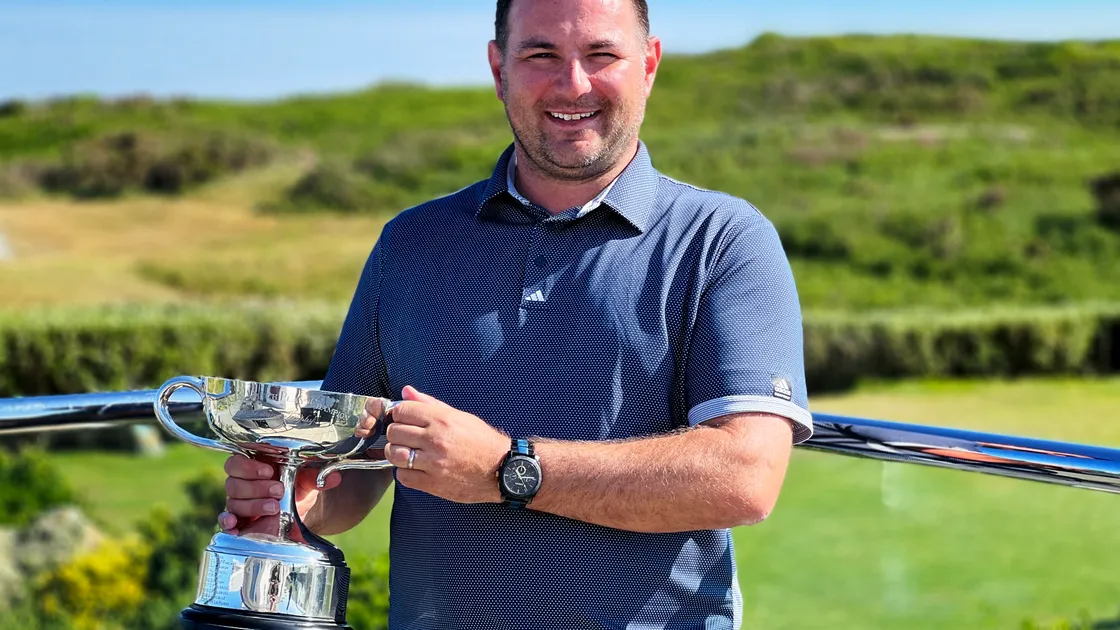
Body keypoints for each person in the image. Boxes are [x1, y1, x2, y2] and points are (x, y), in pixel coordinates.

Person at [219, 0, 813, 627]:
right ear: (499, 69)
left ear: (649, 65)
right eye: (541, 55)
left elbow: (746, 476)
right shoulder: (410, 244)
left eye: (601, 54)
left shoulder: (723, 238)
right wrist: (295, 500)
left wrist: (506, 468)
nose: (573, 84)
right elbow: (356, 463)